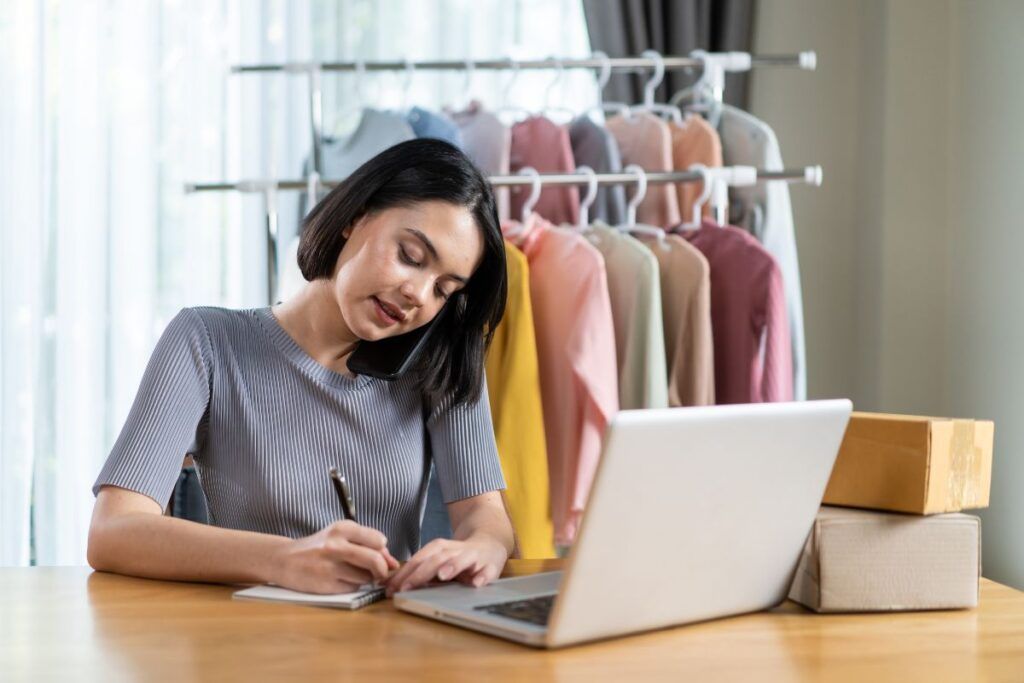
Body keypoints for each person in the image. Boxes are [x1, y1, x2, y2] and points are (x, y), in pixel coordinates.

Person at [88, 139, 514, 597]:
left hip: (384, 648)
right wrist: (282, 561)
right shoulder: (206, 342)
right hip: (249, 644)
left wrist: (485, 547)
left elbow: (483, 516)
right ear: (356, 217)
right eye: (410, 256)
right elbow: (113, 530)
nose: (419, 295)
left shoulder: (435, 364)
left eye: (444, 290)